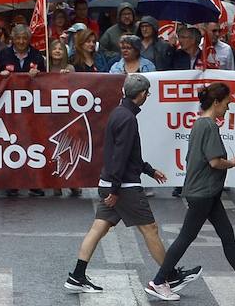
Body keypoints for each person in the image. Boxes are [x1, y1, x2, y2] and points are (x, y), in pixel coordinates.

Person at [68, 74, 201, 294]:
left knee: (98, 228)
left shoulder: (119, 114)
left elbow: (125, 155)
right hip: (124, 187)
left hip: (110, 181)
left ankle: (77, 275)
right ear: (141, 95)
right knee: (150, 229)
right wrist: (116, 188)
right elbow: (120, 156)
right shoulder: (128, 119)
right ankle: (169, 276)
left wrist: (148, 170)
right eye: (147, 93)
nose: (148, 96)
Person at [147, 82, 235, 302]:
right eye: (226, 104)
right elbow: (215, 162)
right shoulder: (210, 126)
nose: (228, 108)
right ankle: (158, 281)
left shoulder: (199, 124)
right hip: (203, 192)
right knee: (186, 237)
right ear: (216, 102)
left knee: (227, 235)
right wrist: (232, 163)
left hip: (206, 191)